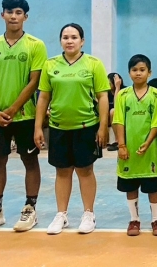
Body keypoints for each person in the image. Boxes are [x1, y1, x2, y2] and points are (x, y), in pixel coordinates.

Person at [0, 0, 48, 232]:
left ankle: (30, 209)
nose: (13, 16)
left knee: (30, 161)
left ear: (25, 17)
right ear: (2, 15)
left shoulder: (36, 45)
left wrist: (14, 108)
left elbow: (35, 81)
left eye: (18, 12)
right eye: (9, 12)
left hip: (25, 116)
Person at [34, 23, 110, 235]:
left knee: (85, 170)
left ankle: (88, 213)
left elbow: (103, 97)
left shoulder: (93, 64)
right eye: (65, 37)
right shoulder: (50, 65)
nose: (69, 41)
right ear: (61, 41)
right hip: (58, 127)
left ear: (82, 41)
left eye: (74, 37)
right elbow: (44, 97)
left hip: (86, 126)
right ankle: (62, 214)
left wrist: (103, 126)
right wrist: (38, 126)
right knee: (62, 171)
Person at [113, 54, 157, 237]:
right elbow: (119, 121)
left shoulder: (156, 94)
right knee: (130, 185)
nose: (138, 73)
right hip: (128, 150)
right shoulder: (123, 95)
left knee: (153, 186)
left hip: (150, 150)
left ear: (149, 72)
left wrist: (148, 142)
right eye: (134, 70)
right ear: (129, 73)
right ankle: (134, 219)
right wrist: (121, 145)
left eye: (142, 70)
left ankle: (156, 219)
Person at [106, 72, 124, 150]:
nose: (108, 85)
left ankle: (118, 141)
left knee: (113, 111)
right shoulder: (107, 93)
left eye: (109, 83)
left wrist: (117, 88)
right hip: (109, 120)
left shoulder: (125, 90)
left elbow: (117, 105)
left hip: (122, 117)